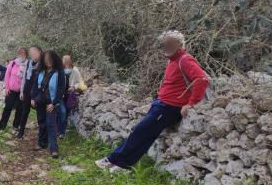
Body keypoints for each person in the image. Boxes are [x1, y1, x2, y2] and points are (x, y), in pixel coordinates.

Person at [96, 30, 209, 172]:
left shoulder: (185, 59)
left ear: (180, 44)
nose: (166, 47)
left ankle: (113, 160)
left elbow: (202, 79)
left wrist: (191, 103)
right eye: (164, 44)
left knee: (140, 131)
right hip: (161, 104)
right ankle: (122, 164)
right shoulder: (172, 60)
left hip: (170, 108)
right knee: (145, 134)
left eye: (170, 44)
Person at [31, 50, 65, 158]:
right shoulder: (40, 71)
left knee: (51, 124)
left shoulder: (59, 73)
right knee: (42, 123)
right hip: (40, 101)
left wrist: (54, 103)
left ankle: (54, 149)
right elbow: (35, 86)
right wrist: (33, 98)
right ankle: (42, 143)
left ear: (54, 60)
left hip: (51, 102)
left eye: (50, 59)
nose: (48, 61)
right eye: (46, 59)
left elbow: (61, 90)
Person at [0, 47, 28, 131]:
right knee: (8, 107)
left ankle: (16, 125)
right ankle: (2, 125)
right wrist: (6, 88)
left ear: (26, 54)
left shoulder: (28, 65)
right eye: (20, 53)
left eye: (23, 53)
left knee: (20, 109)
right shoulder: (13, 63)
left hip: (22, 91)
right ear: (18, 54)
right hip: (11, 89)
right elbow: (7, 76)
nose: (22, 54)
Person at [16, 46, 43, 139]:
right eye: (31, 52)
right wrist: (22, 91)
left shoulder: (43, 64)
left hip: (38, 91)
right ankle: (21, 132)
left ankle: (41, 135)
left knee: (40, 113)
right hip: (27, 89)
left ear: (40, 52)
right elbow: (24, 77)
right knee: (24, 111)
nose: (32, 54)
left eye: (34, 52)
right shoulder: (29, 63)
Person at [58, 55, 87, 138]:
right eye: (64, 59)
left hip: (69, 95)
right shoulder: (60, 69)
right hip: (60, 94)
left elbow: (80, 82)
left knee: (66, 113)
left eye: (67, 59)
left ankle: (61, 130)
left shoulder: (75, 70)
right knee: (62, 112)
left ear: (71, 60)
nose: (66, 61)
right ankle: (61, 132)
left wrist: (74, 87)